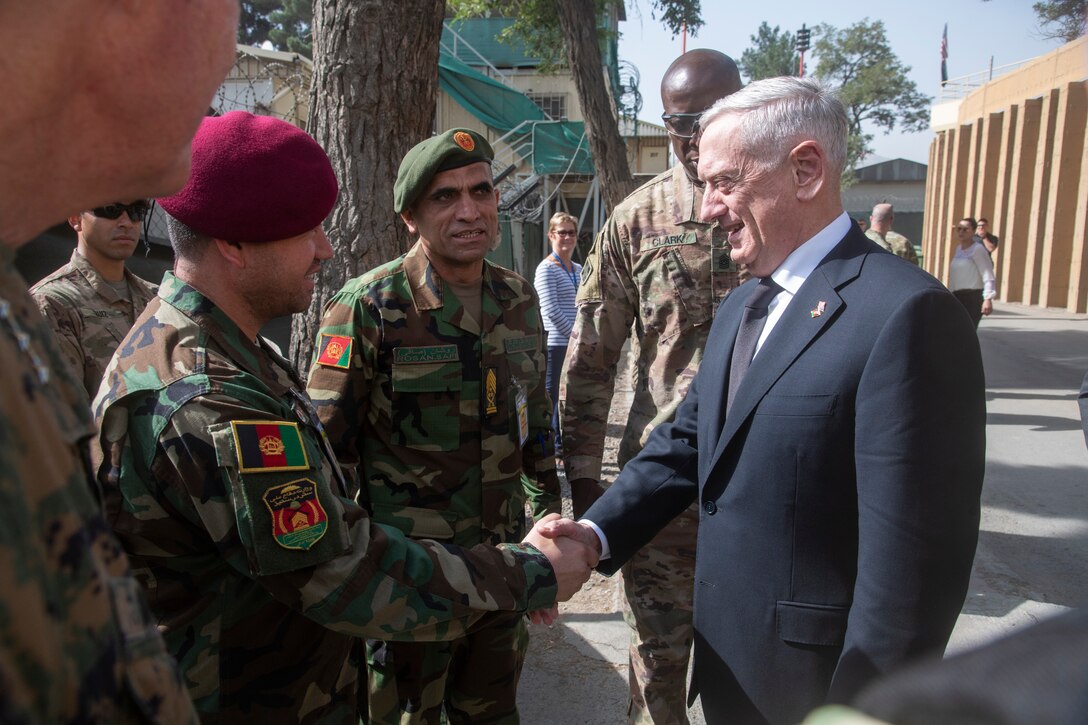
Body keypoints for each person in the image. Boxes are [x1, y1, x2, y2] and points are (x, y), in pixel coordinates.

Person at [92, 114, 592, 723]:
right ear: (234, 244)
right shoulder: (207, 397)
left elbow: (529, 424)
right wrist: (529, 573)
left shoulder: (236, 354)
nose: (326, 248)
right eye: (306, 230)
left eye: (480, 191)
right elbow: (338, 566)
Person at [539, 77, 986, 724]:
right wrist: (592, 533)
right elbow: (686, 444)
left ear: (805, 169)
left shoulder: (908, 316)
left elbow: (911, 583)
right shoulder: (746, 304)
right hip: (732, 677)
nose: (709, 206)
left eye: (725, 182)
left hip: (813, 690)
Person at [0, 1, 240, 721]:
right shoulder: (47, 301)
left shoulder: (139, 294)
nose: (230, 43)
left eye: (138, 210)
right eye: (116, 209)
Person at [306, 127, 562, 724]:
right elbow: (326, 456)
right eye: (445, 197)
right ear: (411, 216)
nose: (470, 211)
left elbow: (536, 430)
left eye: (481, 191)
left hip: (501, 569)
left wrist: (547, 533)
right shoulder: (368, 307)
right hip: (409, 582)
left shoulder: (519, 300)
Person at [560, 48, 744, 724]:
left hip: (760, 488)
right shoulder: (637, 221)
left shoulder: (780, 215)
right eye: (680, 123)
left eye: (714, 118)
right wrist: (587, 486)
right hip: (665, 492)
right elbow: (589, 363)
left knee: (754, 670)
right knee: (657, 668)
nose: (696, 138)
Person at [31, 200, 157, 399]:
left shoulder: (157, 298)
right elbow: (66, 415)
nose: (126, 222)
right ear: (75, 218)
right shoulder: (51, 302)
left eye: (135, 212)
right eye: (110, 210)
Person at [534, 211, 581, 451]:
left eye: (571, 232)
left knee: (571, 392)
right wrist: (574, 335)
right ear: (551, 235)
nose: (567, 237)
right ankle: (552, 444)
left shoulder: (578, 269)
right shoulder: (546, 269)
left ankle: (566, 441)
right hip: (556, 342)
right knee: (551, 394)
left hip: (576, 341)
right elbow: (550, 309)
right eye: (562, 232)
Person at [948, 216, 996, 327]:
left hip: (972, 298)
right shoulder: (958, 249)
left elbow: (988, 274)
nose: (961, 232)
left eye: (965, 229)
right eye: (959, 229)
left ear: (973, 231)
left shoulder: (978, 250)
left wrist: (987, 298)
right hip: (957, 297)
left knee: (967, 332)